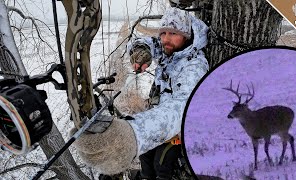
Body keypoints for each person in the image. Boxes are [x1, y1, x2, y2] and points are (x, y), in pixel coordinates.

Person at [71, 7, 209, 179]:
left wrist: (135, 132)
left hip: (178, 131)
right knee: (146, 163)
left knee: (162, 167)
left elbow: (183, 108)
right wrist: (141, 51)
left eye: (173, 33)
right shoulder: (172, 50)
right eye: (163, 32)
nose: (166, 38)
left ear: (186, 35)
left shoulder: (194, 65)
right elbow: (150, 43)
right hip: (158, 124)